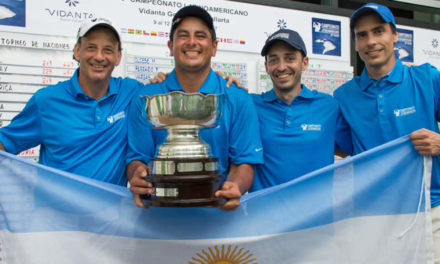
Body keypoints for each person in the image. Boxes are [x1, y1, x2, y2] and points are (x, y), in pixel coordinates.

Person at [126, 5, 263, 211]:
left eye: (200, 35)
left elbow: (244, 162)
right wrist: (137, 174)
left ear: (214, 46)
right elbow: (136, 157)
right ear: (171, 46)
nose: (192, 42)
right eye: (183, 35)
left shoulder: (238, 98)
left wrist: (235, 186)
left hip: (218, 221)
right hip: (158, 222)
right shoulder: (145, 97)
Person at [333, 3, 440, 262]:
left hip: (429, 211)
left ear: (394, 35)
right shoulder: (344, 96)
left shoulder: (427, 79)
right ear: (356, 44)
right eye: (362, 35)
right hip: (374, 216)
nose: (371, 41)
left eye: (378, 31)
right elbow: (337, 147)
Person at [0, 18, 144, 186]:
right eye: (91, 48)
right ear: (77, 51)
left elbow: (163, 93)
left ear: (118, 57)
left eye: (108, 50)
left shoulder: (131, 92)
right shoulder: (46, 100)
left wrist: (159, 80)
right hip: (52, 211)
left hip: (112, 212)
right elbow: (4, 142)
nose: (99, 57)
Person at [249, 29, 351, 192]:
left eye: (290, 58)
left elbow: (356, 148)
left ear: (304, 62)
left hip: (317, 216)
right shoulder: (250, 105)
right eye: (274, 60)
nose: (281, 67)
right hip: (264, 215)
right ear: (267, 67)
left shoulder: (329, 106)